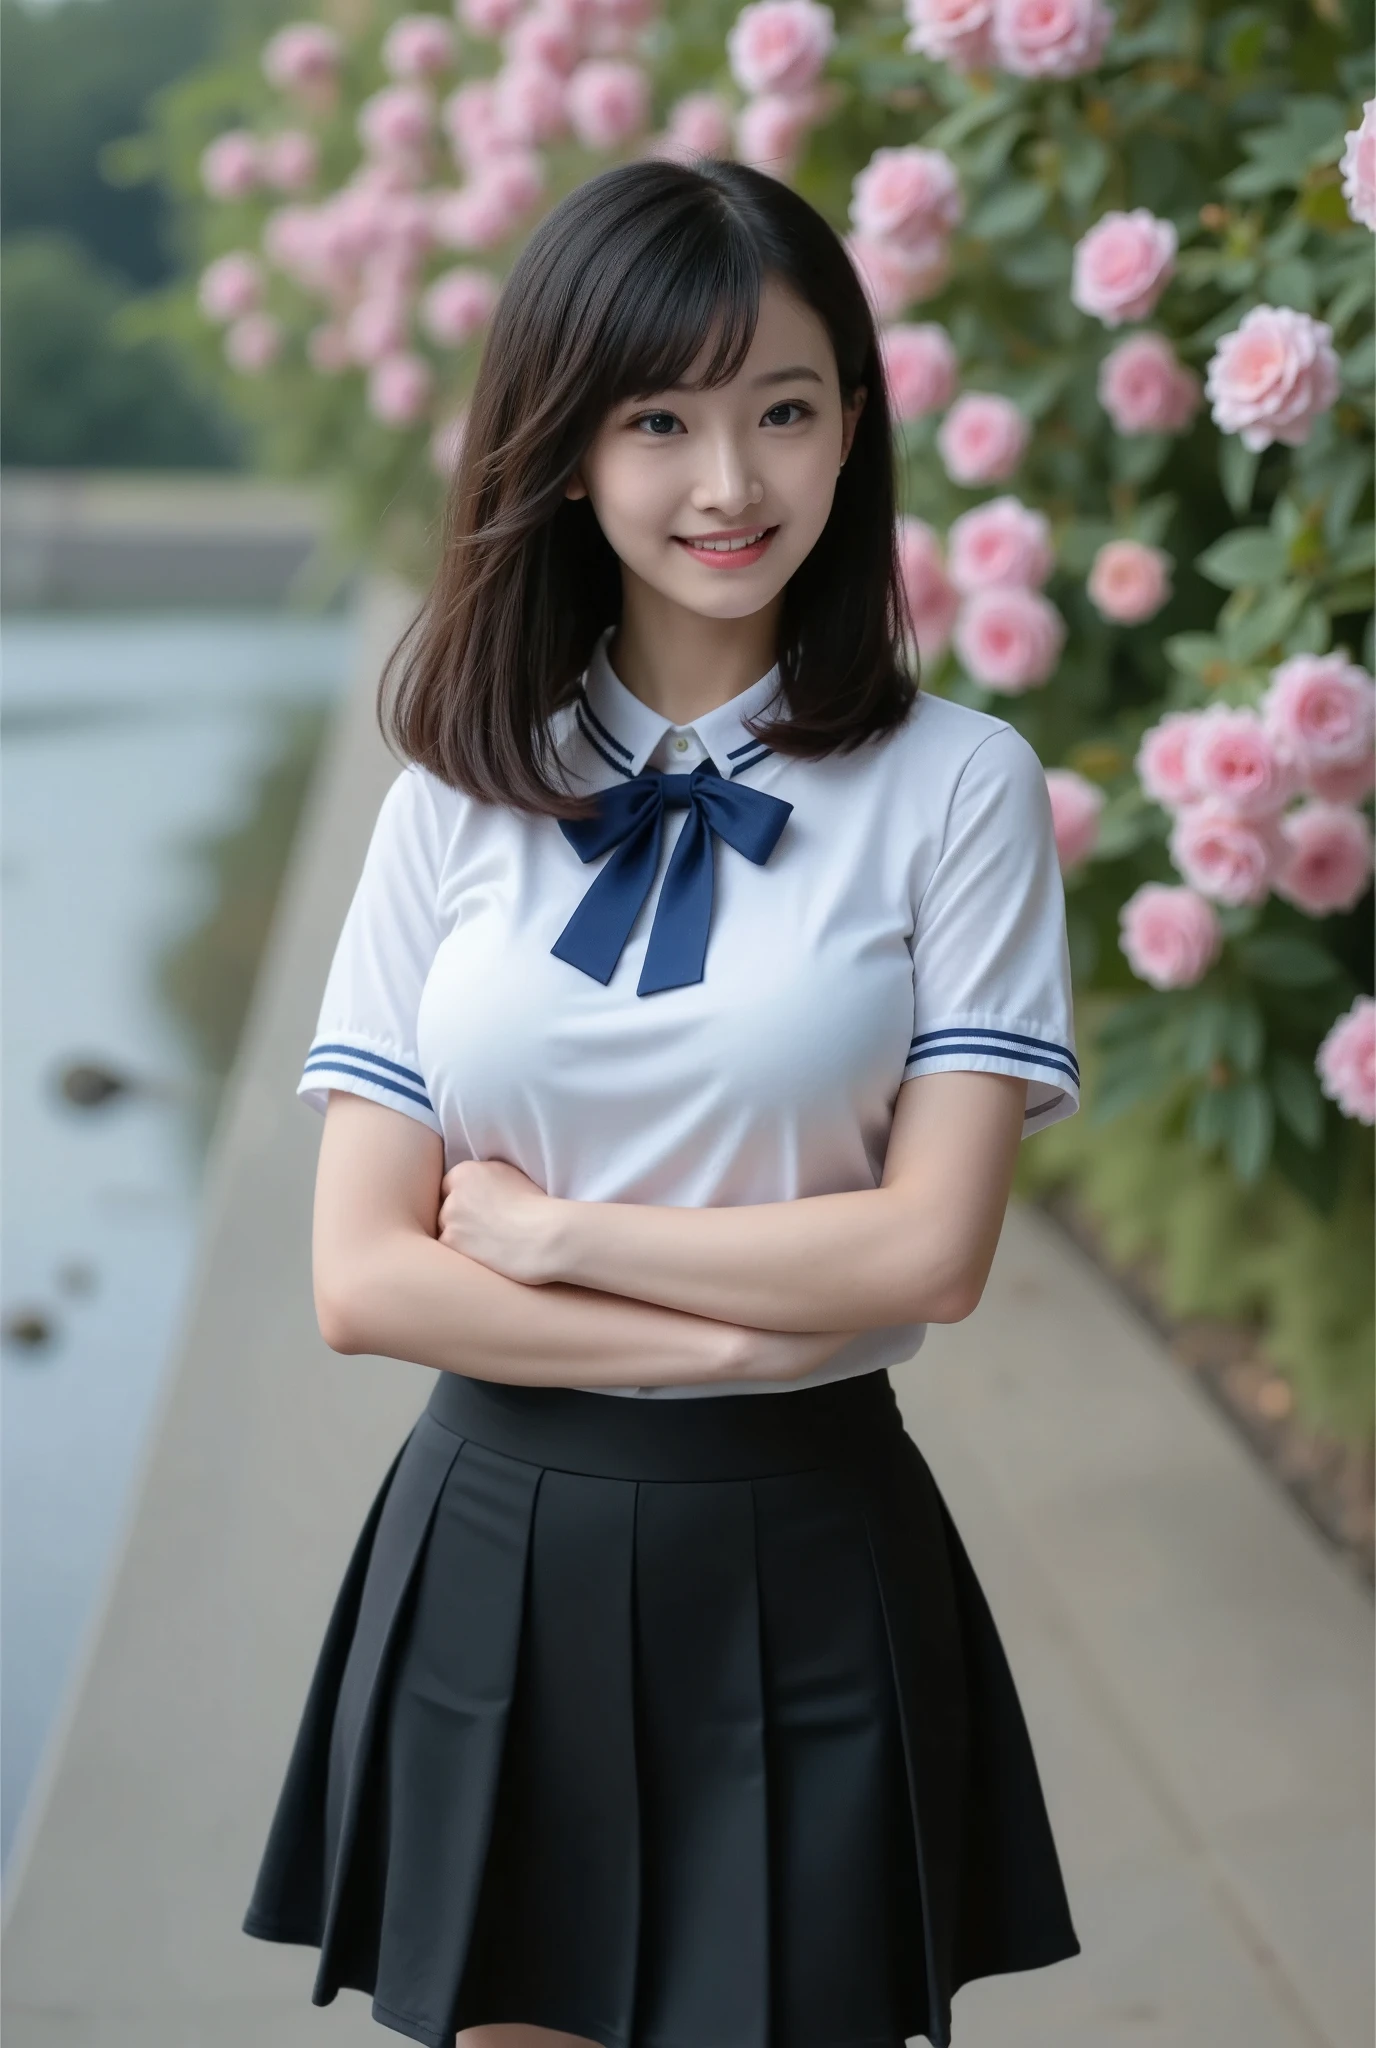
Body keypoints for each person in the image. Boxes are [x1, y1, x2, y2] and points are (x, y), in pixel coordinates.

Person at [241, 154, 1083, 2048]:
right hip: (497, 1542)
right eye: (660, 420)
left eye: (784, 410)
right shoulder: (450, 796)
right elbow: (363, 1280)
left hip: (805, 1548)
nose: (731, 483)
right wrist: (730, 1332)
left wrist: (555, 1239)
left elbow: (929, 1250)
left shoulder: (960, 789)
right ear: (563, 451)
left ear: (853, 428)